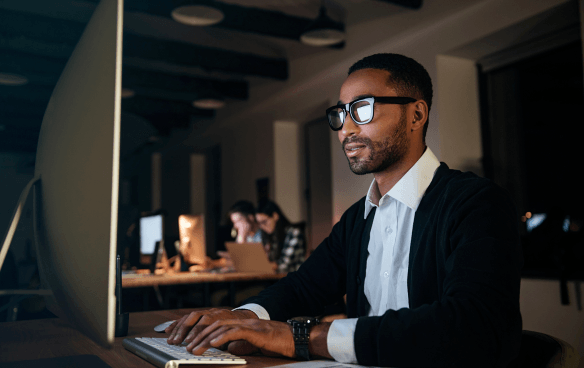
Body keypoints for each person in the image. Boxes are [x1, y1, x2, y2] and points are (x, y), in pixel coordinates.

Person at [165, 53, 523, 368]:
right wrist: (239, 318)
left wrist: (301, 337)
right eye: (340, 113)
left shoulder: (476, 203)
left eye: (362, 109)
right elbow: (302, 288)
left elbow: (474, 327)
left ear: (416, 114)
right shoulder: (357, 219)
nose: (346, 129)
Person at [255, 200, 306, 273]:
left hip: (292, 279)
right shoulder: (269, 237)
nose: (262, 226)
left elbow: (285, 265)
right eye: (259, 223)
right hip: (273, 278)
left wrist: (265, 265)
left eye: (264, 222)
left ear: (275, 216)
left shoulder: (294, 233)